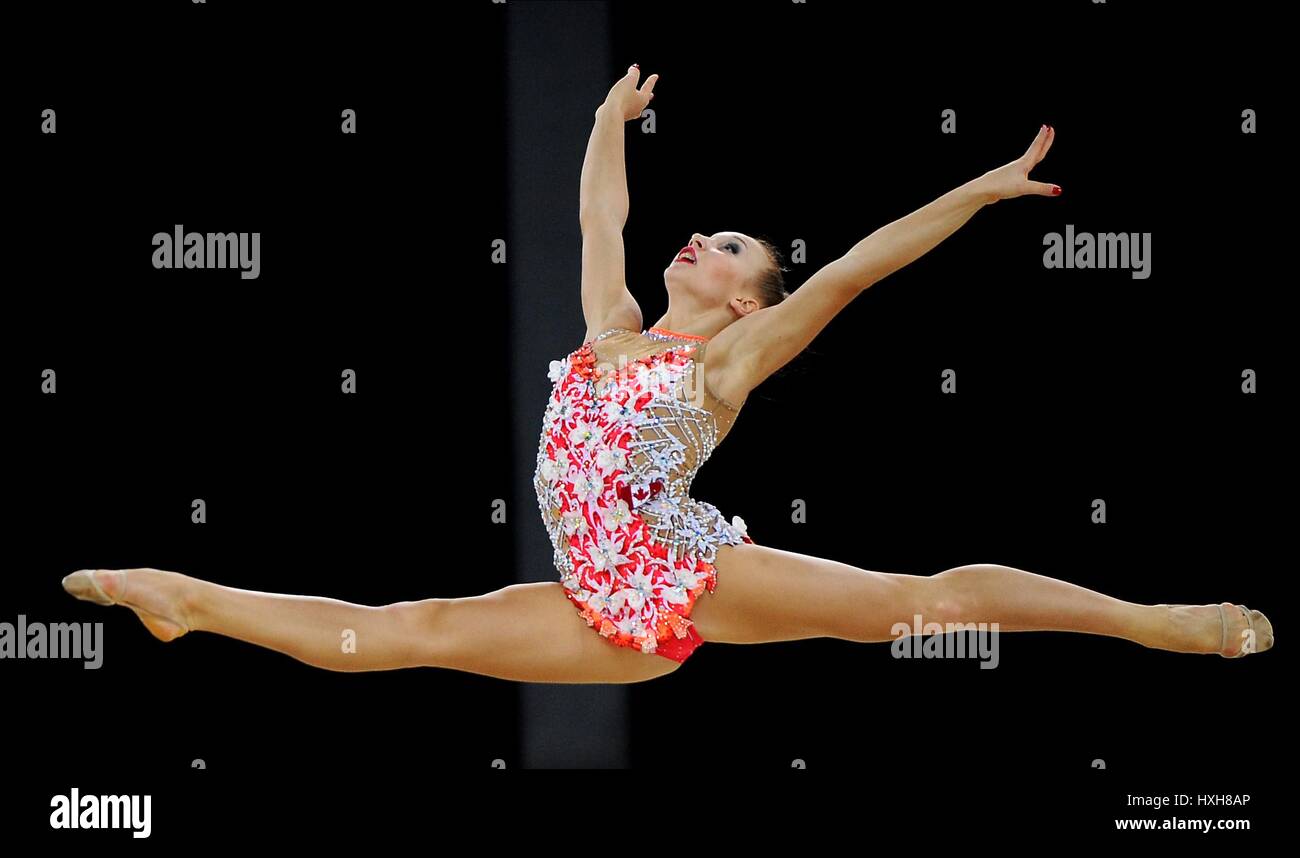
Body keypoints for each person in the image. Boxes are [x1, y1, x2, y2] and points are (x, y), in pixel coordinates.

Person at [61, 66, 1273, 684]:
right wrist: (604, 122)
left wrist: (974, 191)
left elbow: (852, 268)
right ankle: (186, 598)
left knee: (923, 606)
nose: (702, 241)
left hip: (692, 567)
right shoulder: (611, 329)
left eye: (731, 247)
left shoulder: (734, 353)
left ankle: (1146, 619)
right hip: (599, 593)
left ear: (747, 296)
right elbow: (601, 218)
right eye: (706, 232)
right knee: (404, 634)